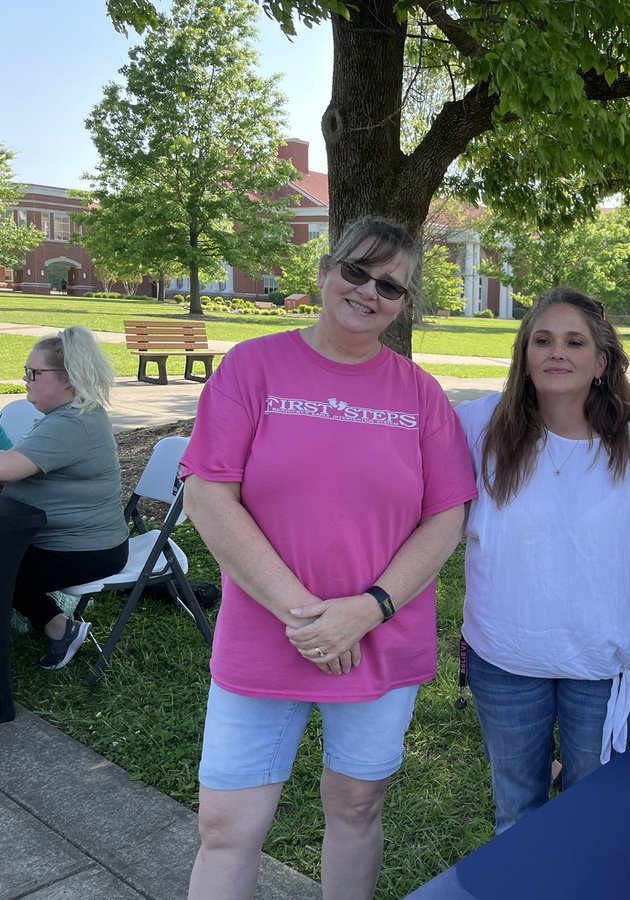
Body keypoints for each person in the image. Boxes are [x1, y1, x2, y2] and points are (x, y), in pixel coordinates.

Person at [180, 217, 477, 900]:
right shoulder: (252, 368)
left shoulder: (420, 394)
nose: (368, 291)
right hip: (265, 636)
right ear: (325, 271)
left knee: (356, 806)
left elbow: (445, 518)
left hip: (379, 641)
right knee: (226, 827)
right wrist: (311, 619)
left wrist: (364, 613)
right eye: (356, 271)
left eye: (390, 286)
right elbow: (208, 497)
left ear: (404, 304)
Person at [456, 287, 630, 834]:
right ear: (523, 356)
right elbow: (432, 522)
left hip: (605, 661)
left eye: (575, 342)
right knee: (516, 809)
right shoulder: (476, 428)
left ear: (601, 362)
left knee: (592, 811)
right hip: (503, 656)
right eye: (543, 340)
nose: (558, 352)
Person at [0, 327, 129, 670]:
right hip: (77, 543)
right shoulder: (69, 415)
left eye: (33, 373)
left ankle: (56, 628)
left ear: (67, 379)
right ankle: (59, 627)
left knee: (3, 567)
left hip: (87, 551)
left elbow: (8, 468)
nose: (25, 379)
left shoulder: (72, 423)